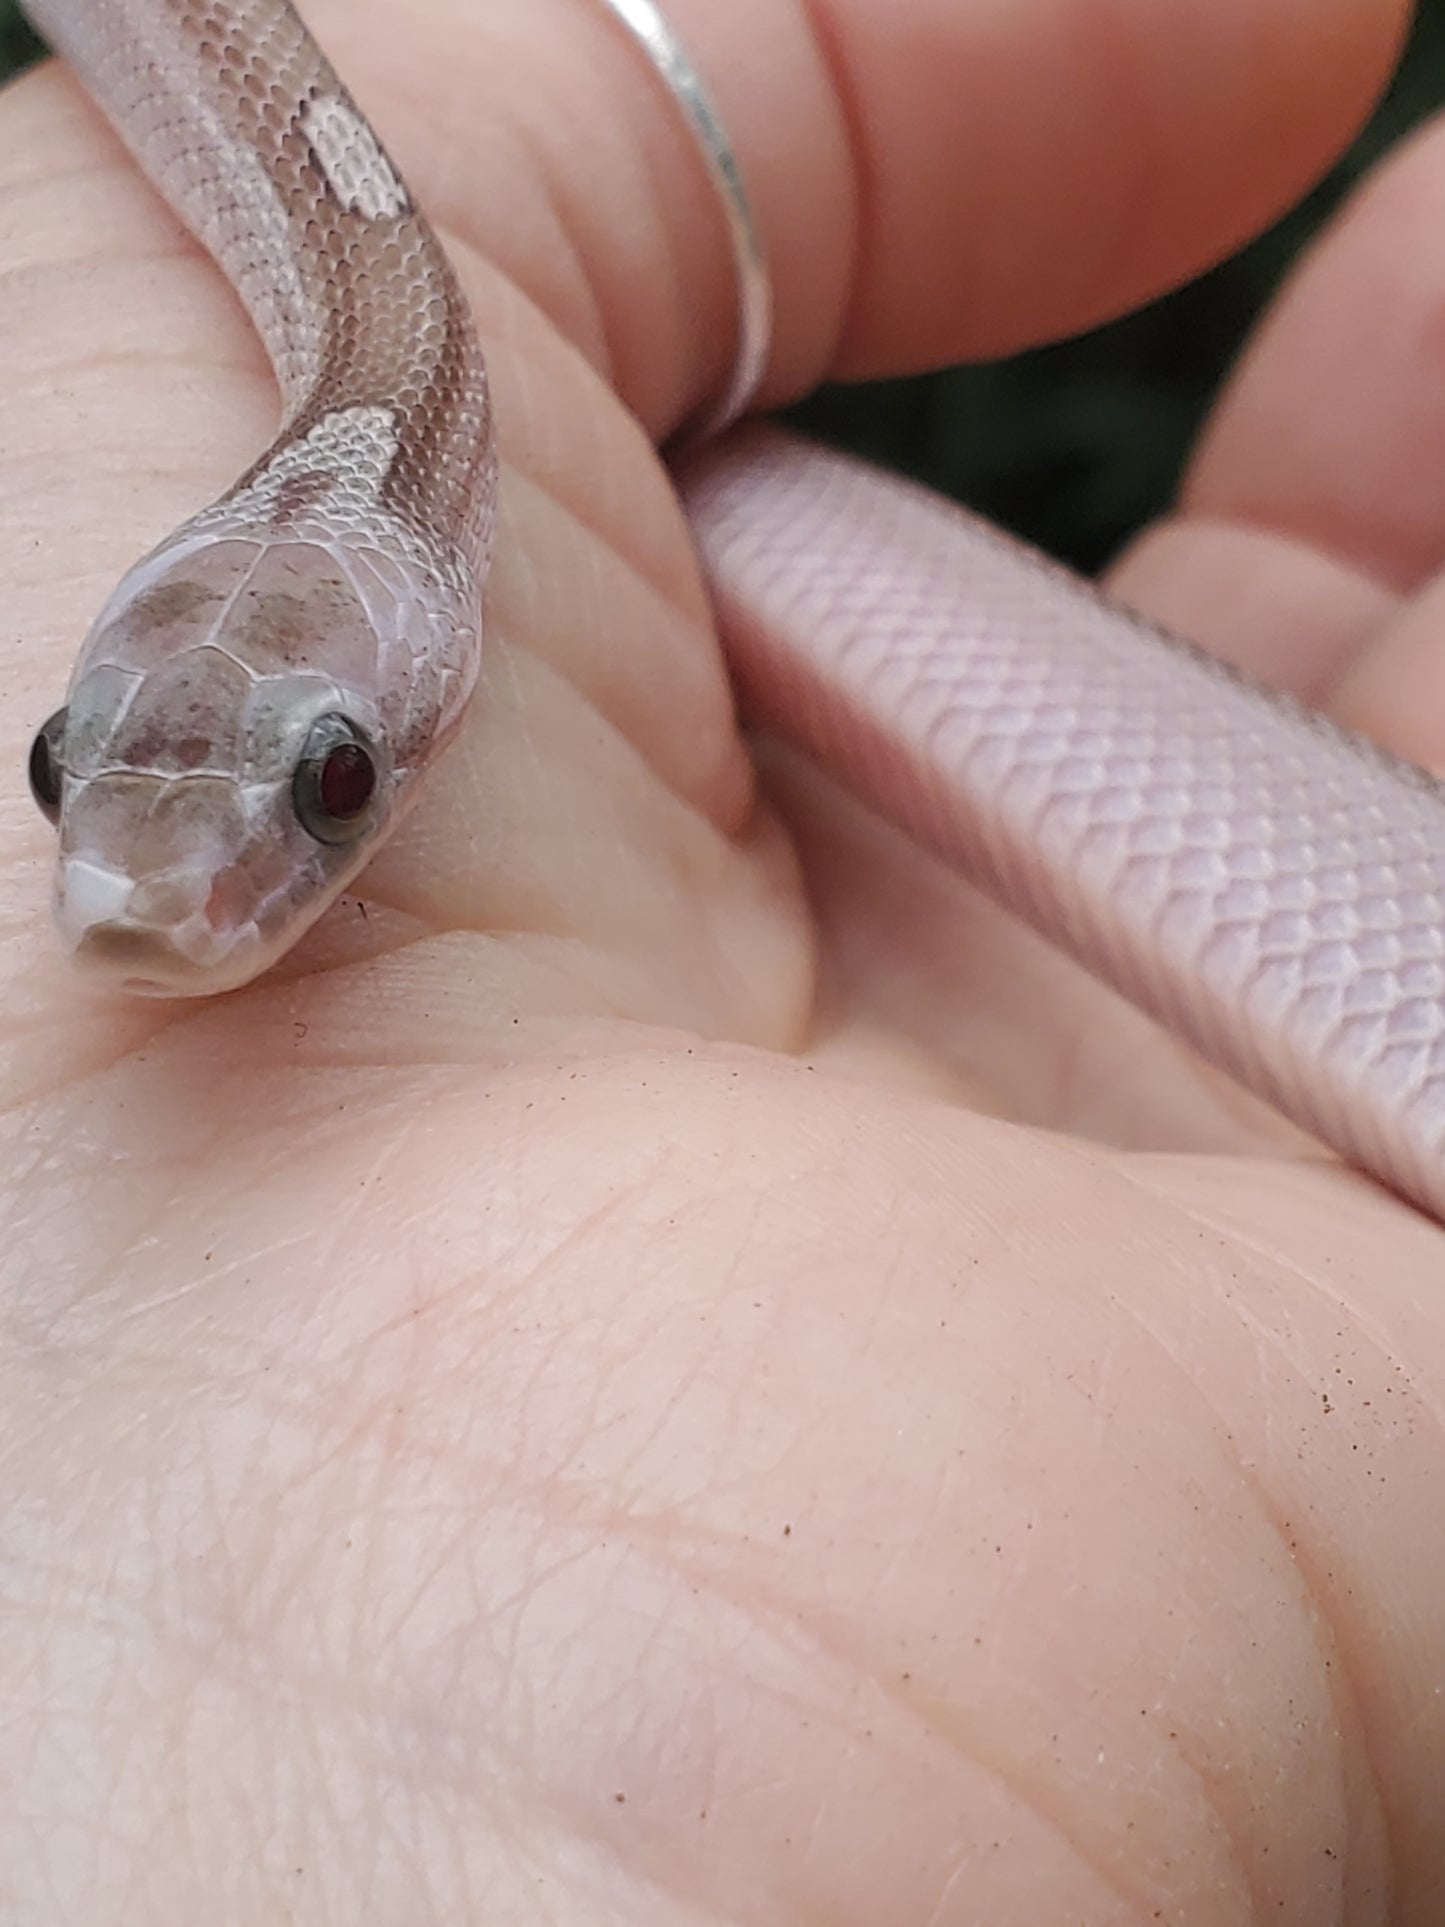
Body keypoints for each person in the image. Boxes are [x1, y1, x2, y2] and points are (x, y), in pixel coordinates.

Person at [1, 0, 1438, 1915]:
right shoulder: (356, 561)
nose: (139, 900)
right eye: (61, 777)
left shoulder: (422, 495)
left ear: (432, 654)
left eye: (324, 785)